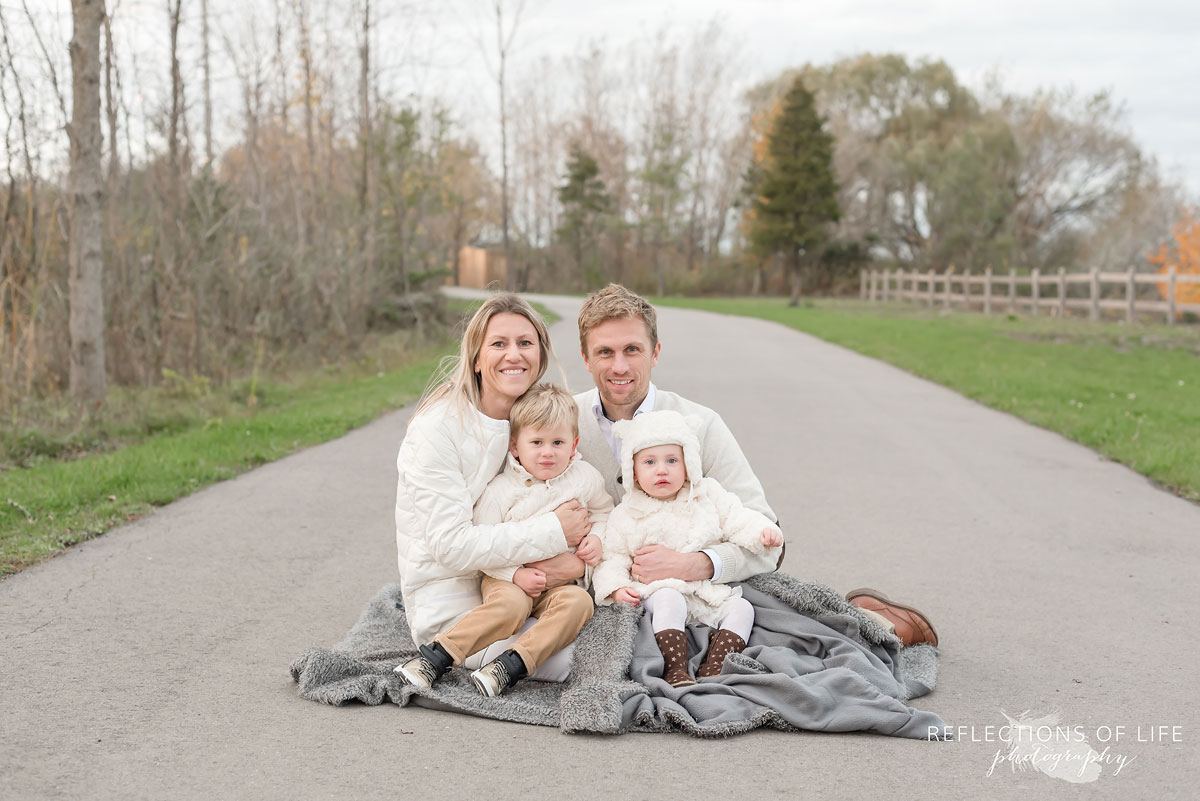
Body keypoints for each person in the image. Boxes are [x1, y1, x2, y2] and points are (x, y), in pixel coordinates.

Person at [573, 284, 938, 646]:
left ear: (655, 353)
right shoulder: (561, 424)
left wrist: (695, 564)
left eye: (632, 350)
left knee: (789, 643)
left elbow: (768, 541)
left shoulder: (699, 424)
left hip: (700, 595)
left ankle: (875, 621)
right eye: (605, 352)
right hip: (601, 596)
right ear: (586, 358)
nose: (619, 366)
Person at [393, 293, 596, 692]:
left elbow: (584, 503)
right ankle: (437, 657)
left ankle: (508, 665)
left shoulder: (535, 421)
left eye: (525, 343)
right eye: (498, 344)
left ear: (540, 353)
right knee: (579, 659)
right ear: (476, 358)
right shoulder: (438, 429)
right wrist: (555, 533)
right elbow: (449, 546)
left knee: (591, 622)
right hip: (456, 598)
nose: (513, 355)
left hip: (537, 586)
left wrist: (578, 565)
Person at [593, 410, 783, 686]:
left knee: (742, 609)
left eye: (672, 460)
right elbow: (613, 557)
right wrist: (615, 588)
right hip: (656, 592)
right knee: (670, 598)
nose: (662, 469)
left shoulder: (707, 495)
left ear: (688, 464)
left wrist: (761, 532)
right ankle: (675, 669)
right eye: (649, 462)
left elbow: (737, 517)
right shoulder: (628, 513)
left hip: (703, 590)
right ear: (632, 469)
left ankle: (715, 667)